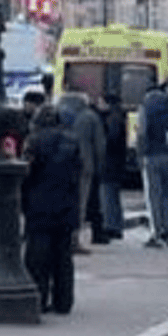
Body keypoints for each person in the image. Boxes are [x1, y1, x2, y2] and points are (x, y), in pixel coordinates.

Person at [20, 104, 82, 314]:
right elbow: (77, 173)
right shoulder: (72, 141)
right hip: (66, 206)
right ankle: (63, 301)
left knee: (38, 257)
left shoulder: (34, 141)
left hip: (40, 207)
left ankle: (39, 298)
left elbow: (27, 173)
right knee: (63, 257)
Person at [139, 78, 168, 248]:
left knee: (153, 196)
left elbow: (142, 134)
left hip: (152, 156)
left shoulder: (146, 110)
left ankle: (156, 232)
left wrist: (140, 154)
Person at [57, 91, 104, 252]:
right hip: (84, 165)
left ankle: (61, 238)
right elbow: (99, 145)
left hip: (61, 164)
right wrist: (99, 165)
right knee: (80, 203)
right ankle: (74, 239)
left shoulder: (58, 114)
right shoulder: (90, 117)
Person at [96, 91, 127, 244]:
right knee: (113, 195)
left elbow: (110, 140)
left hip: (109, 163)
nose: (98, 105)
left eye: (101, 102)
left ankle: (111, 225)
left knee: (107, 194)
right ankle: (116, 224)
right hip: (116, 163)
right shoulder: (118, 116)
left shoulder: (112, 119)